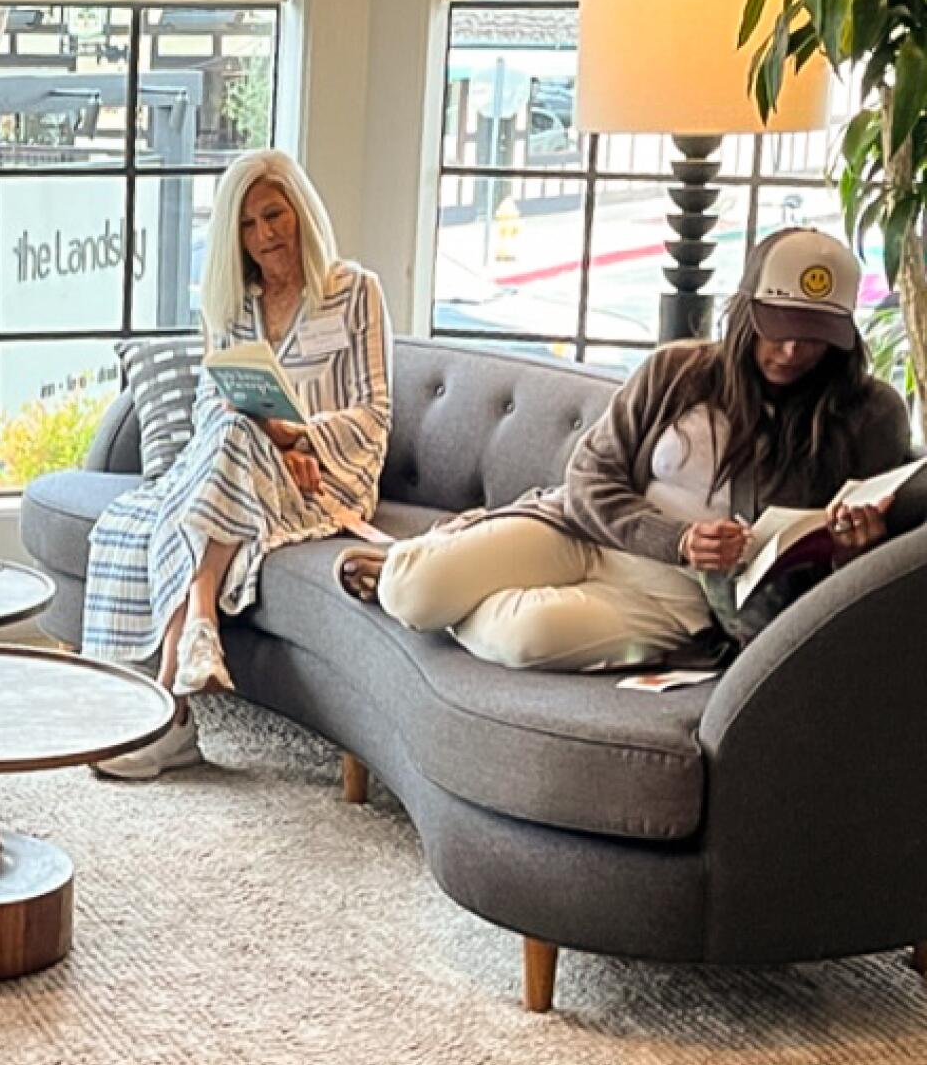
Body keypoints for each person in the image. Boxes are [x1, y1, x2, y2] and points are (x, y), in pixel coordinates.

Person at [337, 227, 911, 671]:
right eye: (777, 326)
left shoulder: (870, 415)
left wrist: (854, 546)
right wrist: (680, 539)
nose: (790, 350)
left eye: (813, 335)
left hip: (680, 601)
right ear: (745, 314)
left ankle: (454, 565)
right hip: (579, 531)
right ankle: (427, 564)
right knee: (411, 592)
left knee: (524, 641)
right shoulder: (677, 371)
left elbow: (866, 569)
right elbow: (588, 476)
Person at [83, 149, 393, 779]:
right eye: (248, 226)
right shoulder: (234, 307)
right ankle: (175, 662)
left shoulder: (356, 292)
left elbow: (375, 415)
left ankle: (170, 703)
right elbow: (211, 409)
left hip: (329, 479)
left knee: (224, 444)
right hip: (245, 465)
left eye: (274, 215)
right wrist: (271, 435)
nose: (265, 236)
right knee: (206, 447)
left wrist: (301, 439)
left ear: (301, 211)